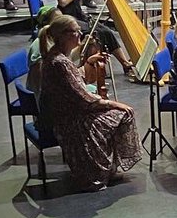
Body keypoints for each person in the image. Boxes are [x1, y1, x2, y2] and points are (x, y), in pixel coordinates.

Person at [35, 12, 141, 190]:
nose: (80, 34)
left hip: (71, 111)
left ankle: (106, 167)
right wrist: (114, 103)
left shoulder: (58, 57)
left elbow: (73, 80)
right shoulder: (59, 62)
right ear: (63, 36)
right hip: (71, 120)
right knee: (124, 114)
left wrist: (88, 63)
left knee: (116, 113)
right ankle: (100, 171)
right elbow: (83, 98)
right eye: (75, 31)